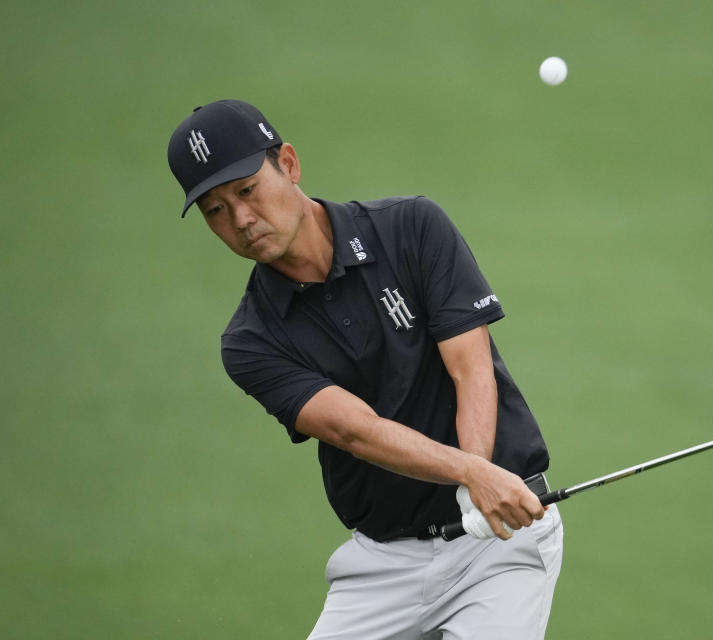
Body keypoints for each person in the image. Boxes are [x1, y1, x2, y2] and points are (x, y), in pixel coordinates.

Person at [166, 99, 563, 639]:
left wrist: (479, 484)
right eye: (215, 210)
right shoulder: (250, 342)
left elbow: (471, 369)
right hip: (382, 568)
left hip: (500, 540)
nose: (241, 221)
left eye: (246, 190)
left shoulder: (412, 228)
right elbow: (356, 431)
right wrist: (471, 474)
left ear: (288, 162)